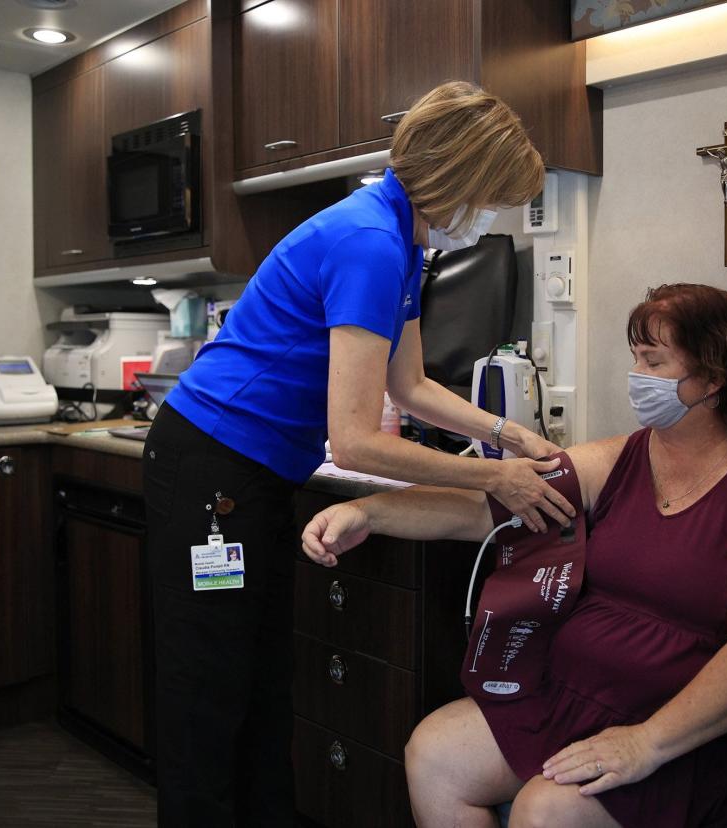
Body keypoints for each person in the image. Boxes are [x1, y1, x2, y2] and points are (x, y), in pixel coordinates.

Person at [142, 81, 577, 828]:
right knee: (208, 693)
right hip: (209, 467)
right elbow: (355, 441)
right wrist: (492, 476)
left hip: (253, 473)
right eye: (495, 197)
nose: (493, 217)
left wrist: (509, 435)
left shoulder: (402, 242)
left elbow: (407, 386)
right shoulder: (371, 244)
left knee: (260, 682)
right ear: (460, 180)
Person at [301, 284, 727, 828]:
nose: (637, 377)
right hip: (587, 697)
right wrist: (371, 514)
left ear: (715, 380)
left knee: (545, 810)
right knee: (434, 755)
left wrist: (646, 743)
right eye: (635, 359)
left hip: (697, 726)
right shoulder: (624, 457)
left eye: (654, 361)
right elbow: (488, 509)